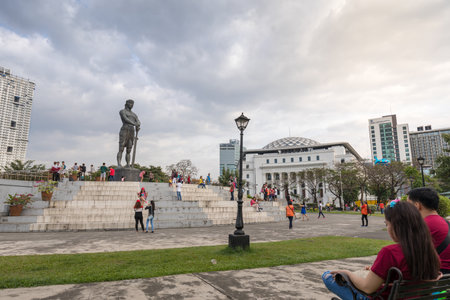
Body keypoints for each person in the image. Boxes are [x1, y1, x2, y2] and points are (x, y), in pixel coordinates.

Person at [322, 201, 441, 299]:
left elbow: (367, 288)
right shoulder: (428, 249)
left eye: (387, 224)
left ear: (396, 226)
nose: (387, 228)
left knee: (327, 276)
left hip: (382, 297)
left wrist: (347, 273)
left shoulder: (390, 252)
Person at [407, 187, 450, 274]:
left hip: (434, 276)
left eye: (408, 205)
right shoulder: (445, 222)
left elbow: (406, 256)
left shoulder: (422, 226)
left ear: (417, 205)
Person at [117, 99, 140, 168]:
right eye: (130, 103)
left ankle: (128, 164)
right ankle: (119, 164)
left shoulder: (134, 114)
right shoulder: (122, 111)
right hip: (125, 129)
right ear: (126, 103)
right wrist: (134, 124)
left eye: (132, 104)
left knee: (129, 148)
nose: (131, 105)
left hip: (132, 130)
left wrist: (137, 125)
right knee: (121, 148)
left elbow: (138, 121)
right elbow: (125, 119)